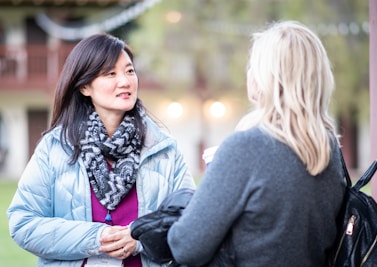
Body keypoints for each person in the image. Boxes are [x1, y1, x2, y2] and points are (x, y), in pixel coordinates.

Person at [167, 20, 347, 266]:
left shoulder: (245, 148)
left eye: (254, 65)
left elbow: (186, 247)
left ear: (264, 79)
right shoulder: (329, 149)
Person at [7, 33, 195, 267]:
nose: (125, 81)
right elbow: (23, 223)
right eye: (110, 74)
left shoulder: (163, 149)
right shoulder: (54, 148)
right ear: (85, 86)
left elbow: (191, 221)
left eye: (129, 71)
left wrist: (139, 238)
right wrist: (97, 237)